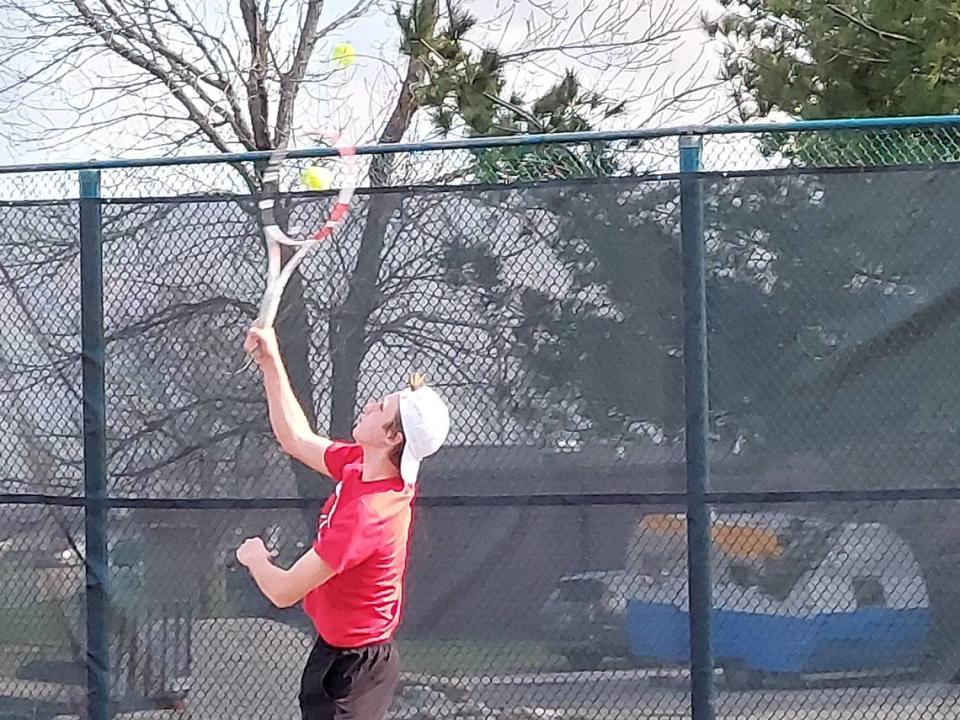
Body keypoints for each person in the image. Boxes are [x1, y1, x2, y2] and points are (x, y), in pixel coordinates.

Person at [236, 325, 450, 720]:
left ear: (391, 437)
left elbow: (283, 592)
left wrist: (255, 558)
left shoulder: (369, 515)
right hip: (333, 650)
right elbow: (296, 438)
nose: (370, 404)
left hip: (358, 669)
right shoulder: (358, 465)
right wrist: (271, 362)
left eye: (381, 408)